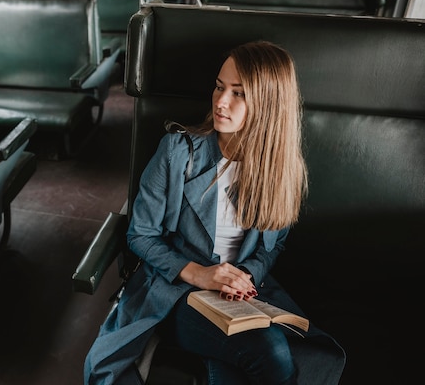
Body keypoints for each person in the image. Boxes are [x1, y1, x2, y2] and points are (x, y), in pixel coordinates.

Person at [84, 41, 346, 384]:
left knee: (295, 358)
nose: (221, 102)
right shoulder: (177, 152)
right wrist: (199, 274)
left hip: (242, 295)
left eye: (239, 94)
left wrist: (244, 278)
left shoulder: (283, 171)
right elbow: (140, 235)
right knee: (271, 352)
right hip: (176, 290)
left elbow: (272, 246)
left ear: (268, 105)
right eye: (220, 87)